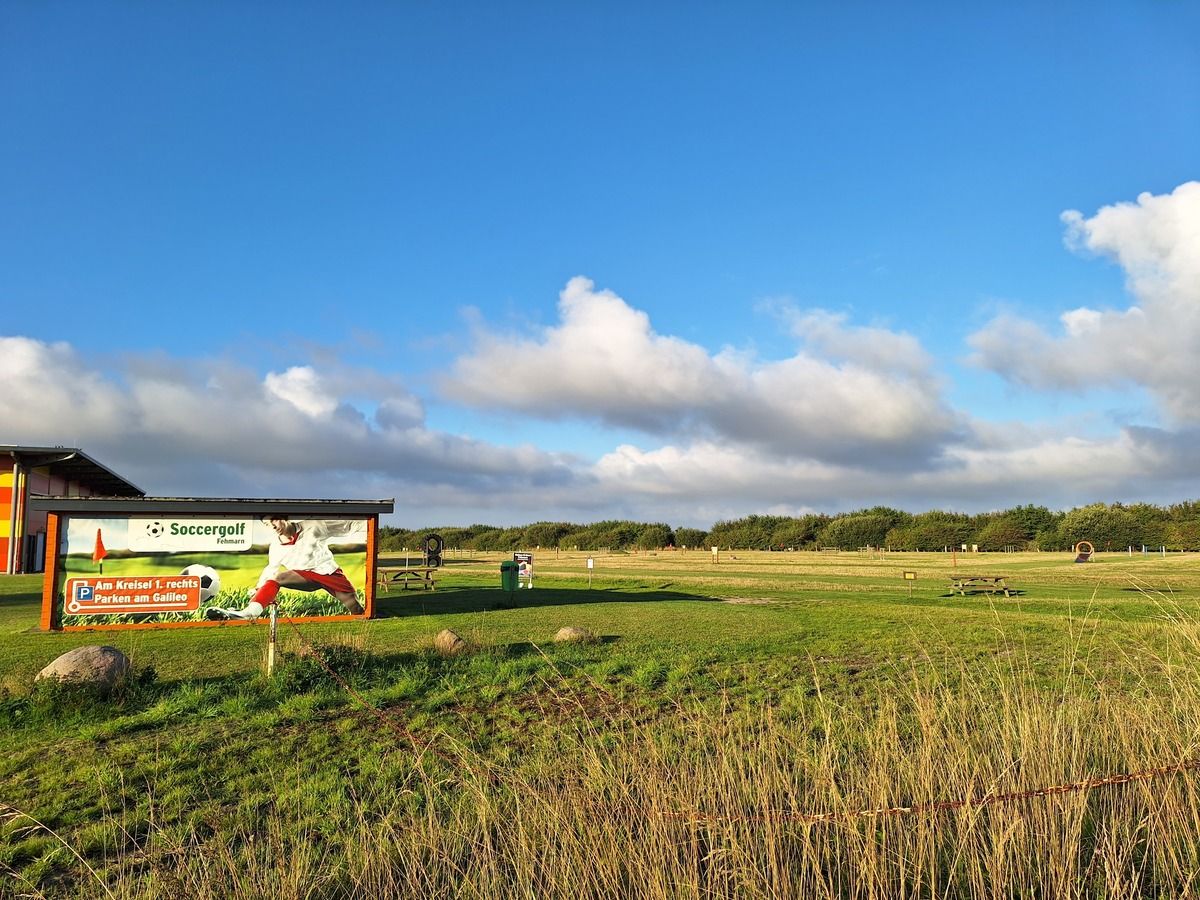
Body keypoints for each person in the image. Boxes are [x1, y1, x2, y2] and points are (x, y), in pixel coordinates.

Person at [205, 517, 364, 620]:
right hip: (303, 577)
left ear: (285, 518)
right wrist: (259, 588)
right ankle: (249, 612)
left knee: (355, 606)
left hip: (327, 572)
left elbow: (348, 525)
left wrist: (367, 526)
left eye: (274, 520)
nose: (272, 526)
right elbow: (271, 569)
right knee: (278, 578)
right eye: (267, 524)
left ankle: (367, 621)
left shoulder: (314, 525)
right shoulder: (276, 547)